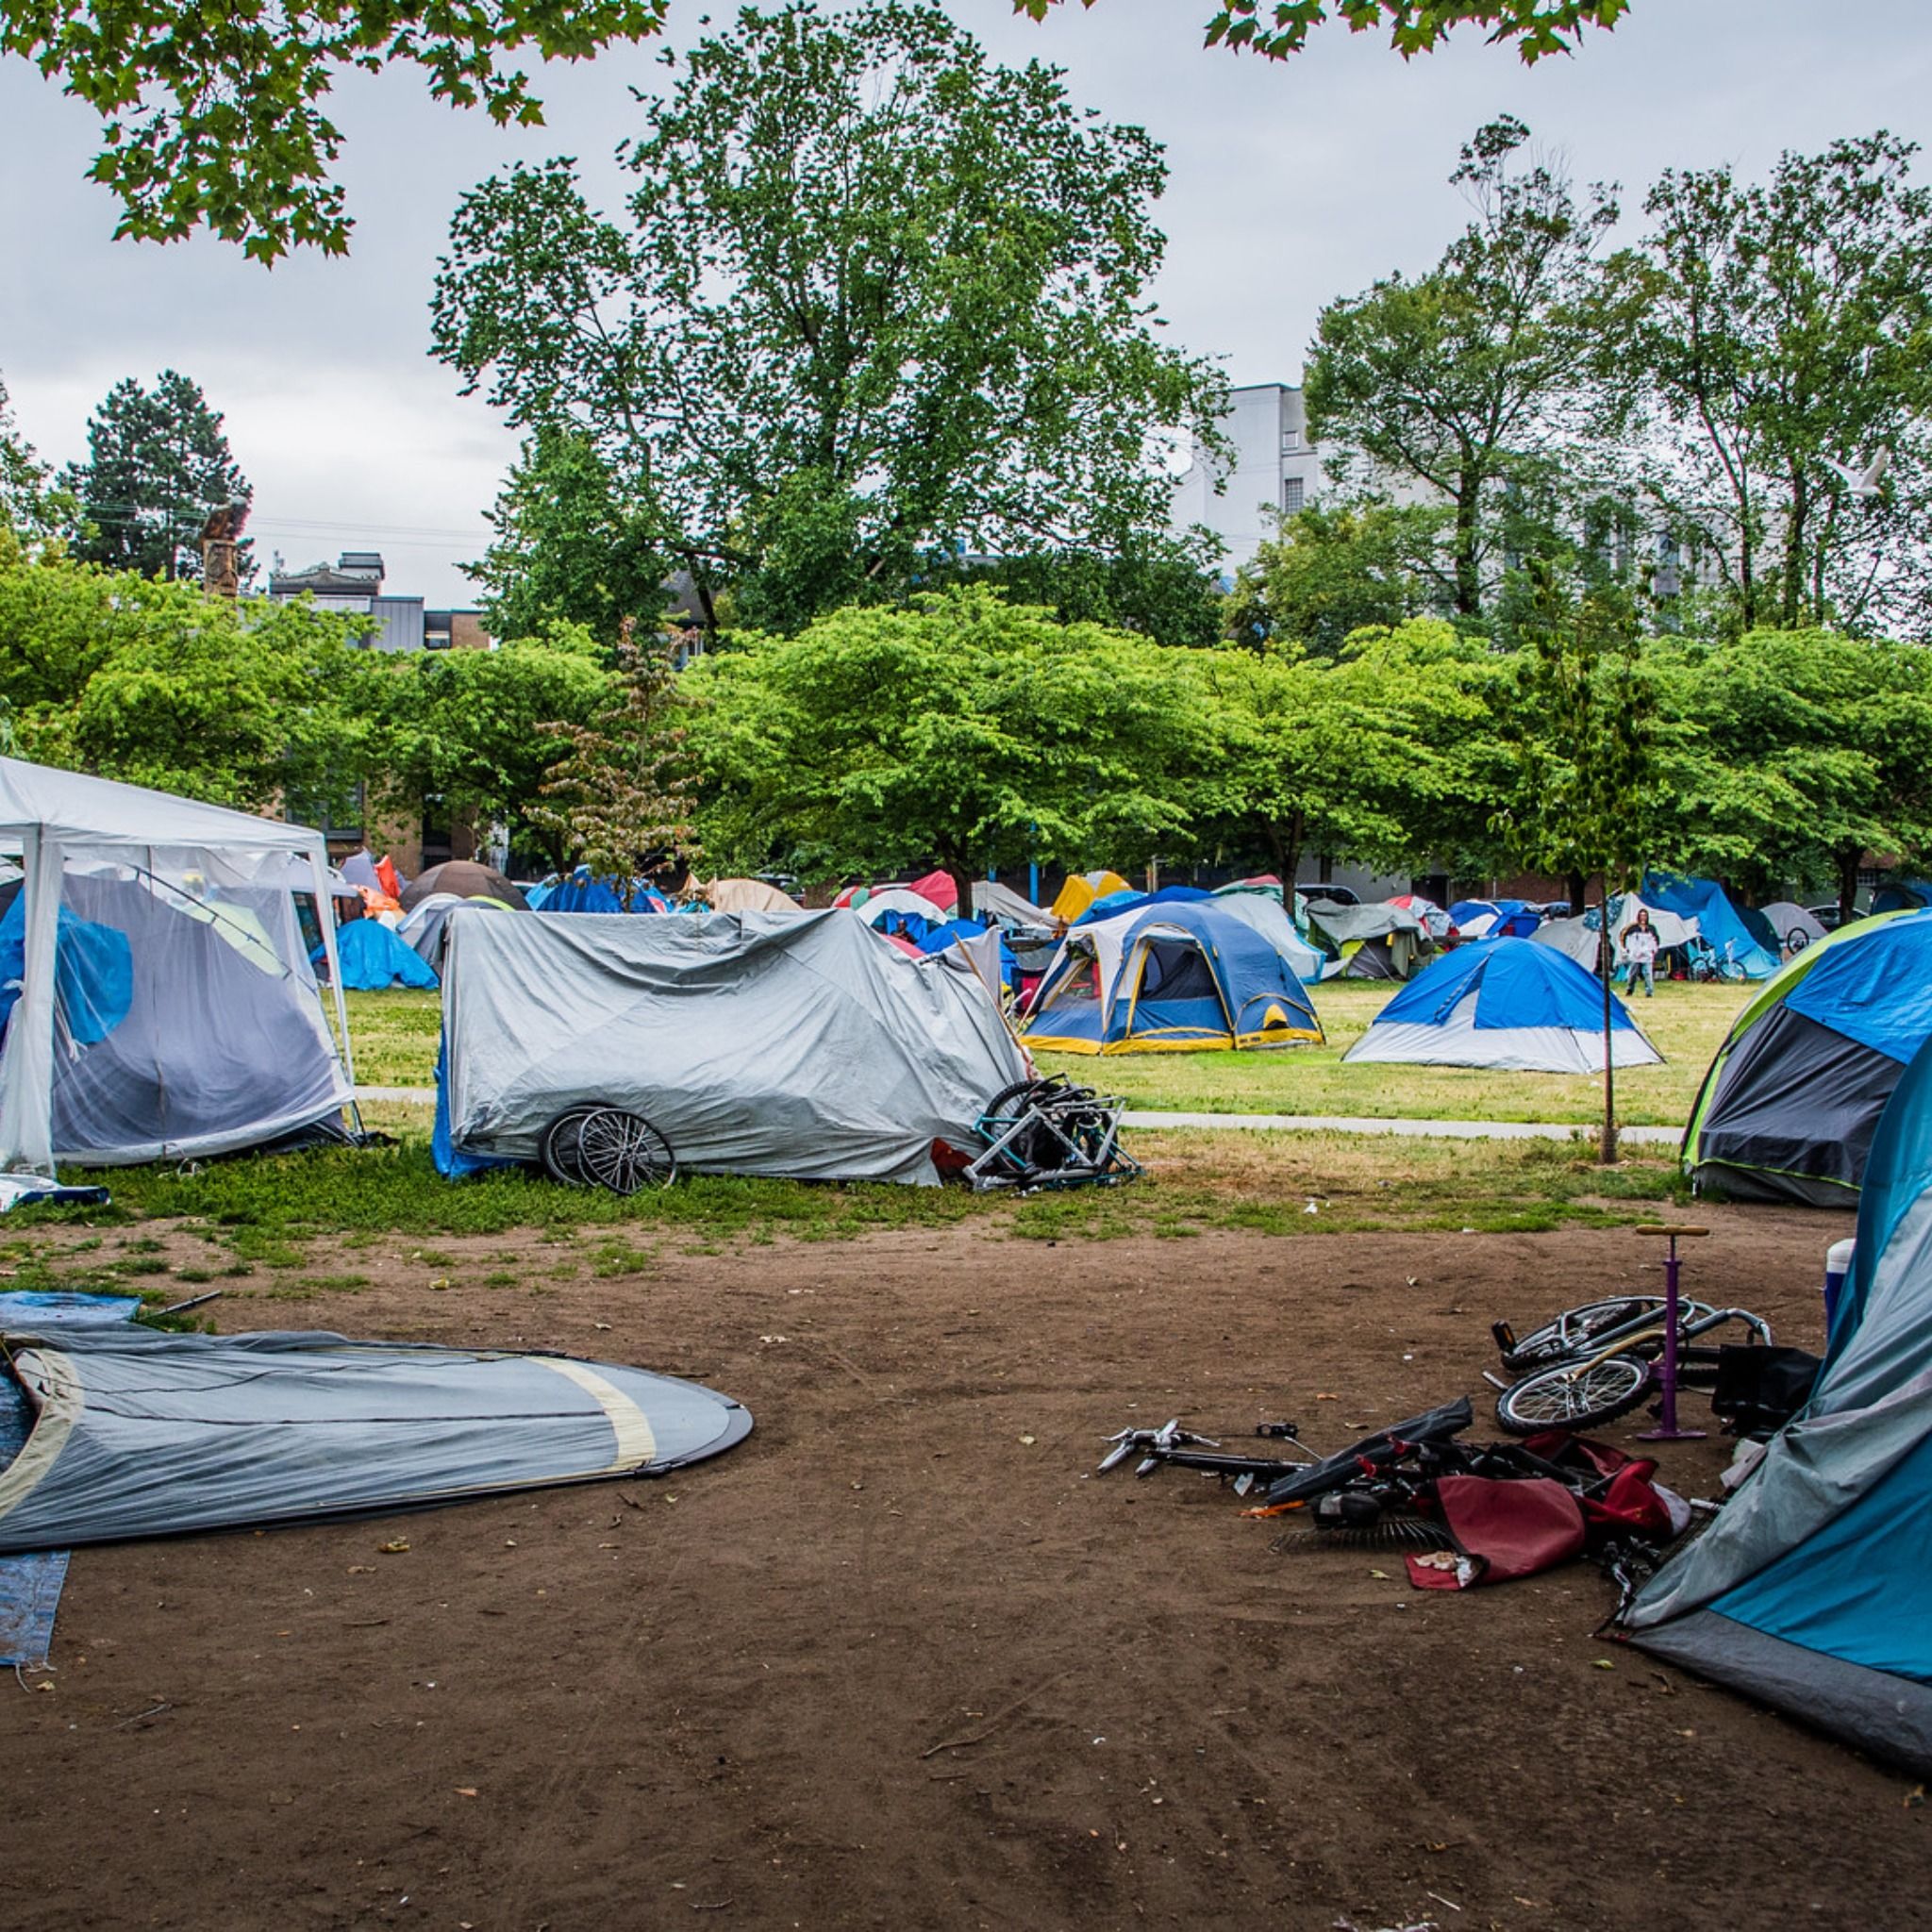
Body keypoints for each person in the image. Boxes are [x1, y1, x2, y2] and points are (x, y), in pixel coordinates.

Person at [1621, 907, 1659, 997]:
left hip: (1647, 955)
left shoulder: (1651, 928)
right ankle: (1630, 990)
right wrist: (1628, 950)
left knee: (1648, 974)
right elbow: (1625, 938)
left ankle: (1649, 992)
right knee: (1633, 974)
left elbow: (1656, 940)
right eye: (1641, 915)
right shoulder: (1633, 928)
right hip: (1635, 955)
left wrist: (1653, 950)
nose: (1643, 917)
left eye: (1645, 915)